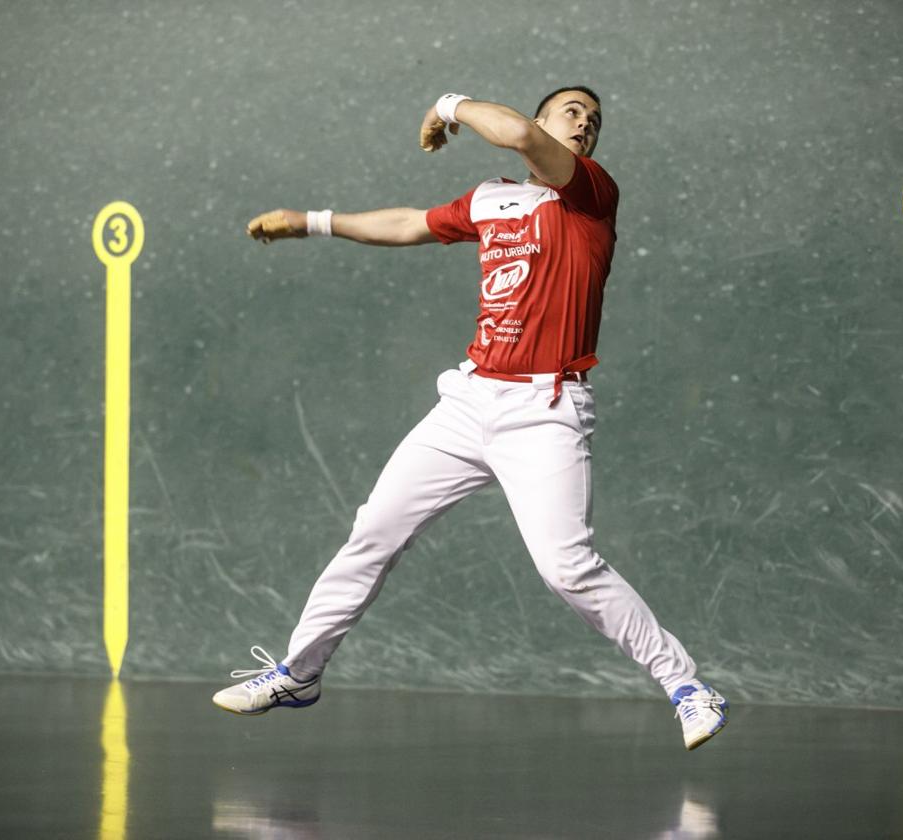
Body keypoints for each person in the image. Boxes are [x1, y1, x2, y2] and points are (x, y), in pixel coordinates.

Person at [212, 87, 729, 750]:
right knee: (374, 531)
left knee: (566, 567)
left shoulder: (591, 193)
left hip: (546, 411)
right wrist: (310, 219)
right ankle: (299, 673)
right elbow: (408, 224)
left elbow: (515, 135)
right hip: (469, 401)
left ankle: (685, 685)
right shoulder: (492, 198)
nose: (585, 121)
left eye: (593, 119)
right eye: (571, 110)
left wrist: (447, 103)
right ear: (544, 117)